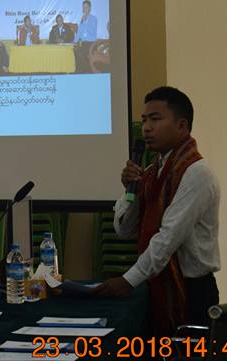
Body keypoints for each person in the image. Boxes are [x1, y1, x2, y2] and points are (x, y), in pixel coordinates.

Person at [93, 87, 220, 336]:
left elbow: (167, 237)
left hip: (191, 292)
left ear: (182, 126)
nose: (146, 128)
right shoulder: (154, 172)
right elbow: (124, 229)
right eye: (144, 120)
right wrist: (131, 192)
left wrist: (128, 280)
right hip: (159, 285)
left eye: (155, 119)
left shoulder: (196, 173)